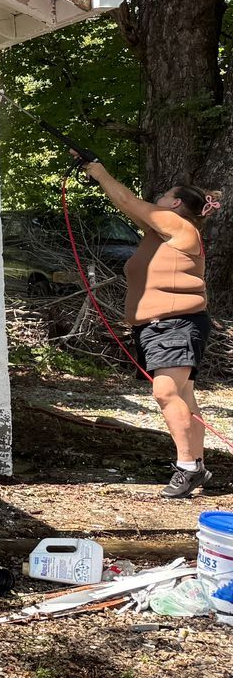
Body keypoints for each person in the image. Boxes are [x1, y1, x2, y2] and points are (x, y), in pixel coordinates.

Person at [80, 160, 216, 498]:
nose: (158, 196)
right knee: (183, 395)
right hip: (163, 327)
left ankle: (187, 468)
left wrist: (99, 171)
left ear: (175, 204)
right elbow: (124, 203)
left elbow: (127, 201)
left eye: (165, 194)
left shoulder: (178, 225)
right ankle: (195, 464)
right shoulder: (159, 232)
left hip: (175, 325)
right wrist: (96, 173)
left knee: (166, 393)